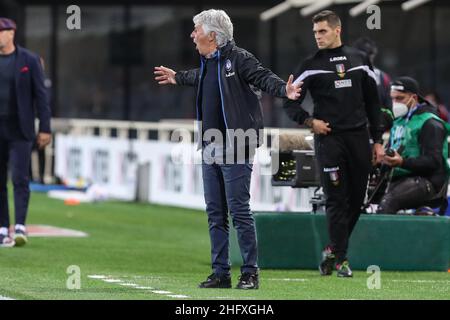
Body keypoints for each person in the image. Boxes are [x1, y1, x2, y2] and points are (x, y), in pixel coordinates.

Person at [154, 9, 301, 289]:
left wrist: (285, 90)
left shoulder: (240, 59)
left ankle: (250, 273)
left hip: (237, 144)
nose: (192, 34)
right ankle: (220, 273)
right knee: (216, 213)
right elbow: (200, 77)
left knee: (239, 211)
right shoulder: (210, 62)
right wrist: (177, 77)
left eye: (196, 29)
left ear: (212, 35)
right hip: (210, 145)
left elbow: (263, 77)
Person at [283, 10, 384, 277]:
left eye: (323, 31)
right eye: (315, 32)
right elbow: (289, 101)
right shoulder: (309, 64)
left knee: (355, 201)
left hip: (359, 139)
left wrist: (378, 140)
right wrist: (309, 121)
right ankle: (342, 260)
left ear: (337, 30)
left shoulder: (361, 61)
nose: (318, 36)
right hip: (329, 140)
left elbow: (374, 104)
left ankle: (332, 250)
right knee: (336, 200)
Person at [0, 18, 52, 247]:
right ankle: (2, 227)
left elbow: (41, 97)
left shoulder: (29, 60)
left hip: (20, 128)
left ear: (11, 33)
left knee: (20, 177)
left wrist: (45, 128)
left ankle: (20, 226)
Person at [376, 77, 449, 215]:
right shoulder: (398, 122)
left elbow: (433, 162)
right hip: (401, 178)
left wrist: (402, 162)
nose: (395, 103)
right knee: (367, 201)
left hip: (427, 180)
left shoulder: (430, 122)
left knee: (389, 201)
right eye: (393, 99)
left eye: (400, 98)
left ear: (413, 97)